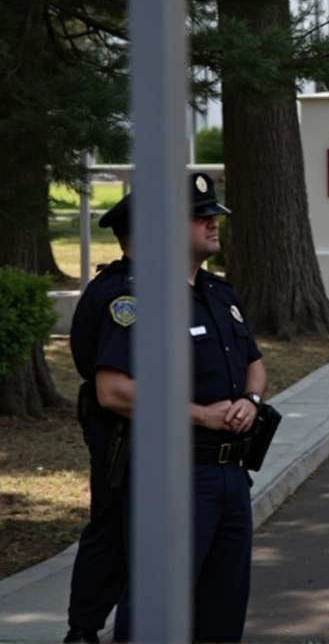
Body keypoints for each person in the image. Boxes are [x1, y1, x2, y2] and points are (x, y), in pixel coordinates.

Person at [107, 173, 268, 643]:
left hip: (232, 475)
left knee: (223, 608)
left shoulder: (221, 294)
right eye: (199, 217)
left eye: (213, 215)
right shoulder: (141, 299)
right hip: (175, 475)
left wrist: (251, 402)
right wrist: (202, 415)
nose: (212, 224)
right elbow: (114, 391)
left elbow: (255, 365)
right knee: (156, 609)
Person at [64, 203, 135, 644]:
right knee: (114, 528)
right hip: (121, 434)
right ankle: (85, 629)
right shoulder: (125, 296)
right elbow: (114, 389)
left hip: (128, 430)